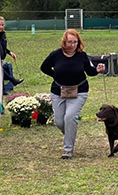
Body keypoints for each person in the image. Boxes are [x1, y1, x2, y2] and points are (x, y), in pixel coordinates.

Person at [40, 29, 105, 159]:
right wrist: (56, 76)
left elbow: (90, 71)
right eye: (70, 42)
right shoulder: (56, 55)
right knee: (59, 121)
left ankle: (68, 150)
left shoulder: (82, 55)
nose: (73, 45)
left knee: (70, 117)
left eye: (75, 42)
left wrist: (97, 70)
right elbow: (44, 67)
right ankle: (70, 134)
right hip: (58, 91)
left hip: (79, 91)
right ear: (64, 42)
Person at [0, 16, 24, 87]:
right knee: (1, 70)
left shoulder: (3, 35)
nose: (1, 27)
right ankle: (13, 80)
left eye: (2, 25)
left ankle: (4, 89)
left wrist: (10, 53)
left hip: (1, 58)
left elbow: (3, 47)